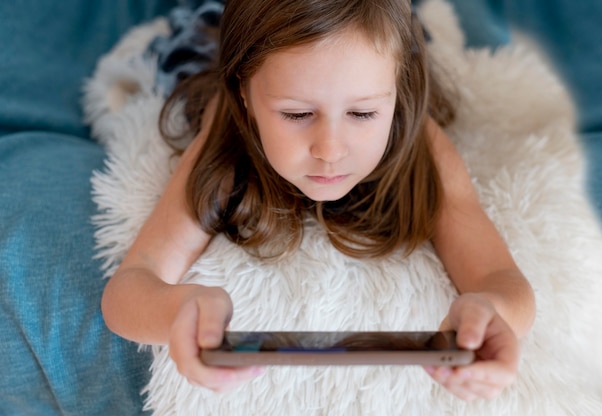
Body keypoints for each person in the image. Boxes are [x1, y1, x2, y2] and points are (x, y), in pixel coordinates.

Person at [101, 0, 536, 402]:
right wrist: (180, 309)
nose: (330, 149)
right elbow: (129, 288)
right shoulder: (226, 129)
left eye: (363, 114)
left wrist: (489, 313)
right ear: (244, 96)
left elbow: (500, 278)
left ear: (398, 94)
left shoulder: (420, 138)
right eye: (296, 114)